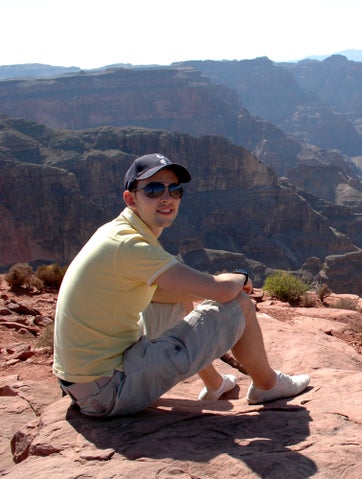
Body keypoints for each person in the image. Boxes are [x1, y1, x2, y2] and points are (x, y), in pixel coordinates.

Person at [52, 153, 310, 416]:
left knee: (176, 296)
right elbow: (221, 290)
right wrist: (242, 276)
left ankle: (214, 384)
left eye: (174, 190)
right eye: (153, 190)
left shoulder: (117, 231)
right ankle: (267, 385)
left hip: (85, 382)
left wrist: (208, 291)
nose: (166, 198)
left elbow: (172, 290)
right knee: (237, 303)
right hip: (108, 390)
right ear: (131, 199)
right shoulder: (131, 246)